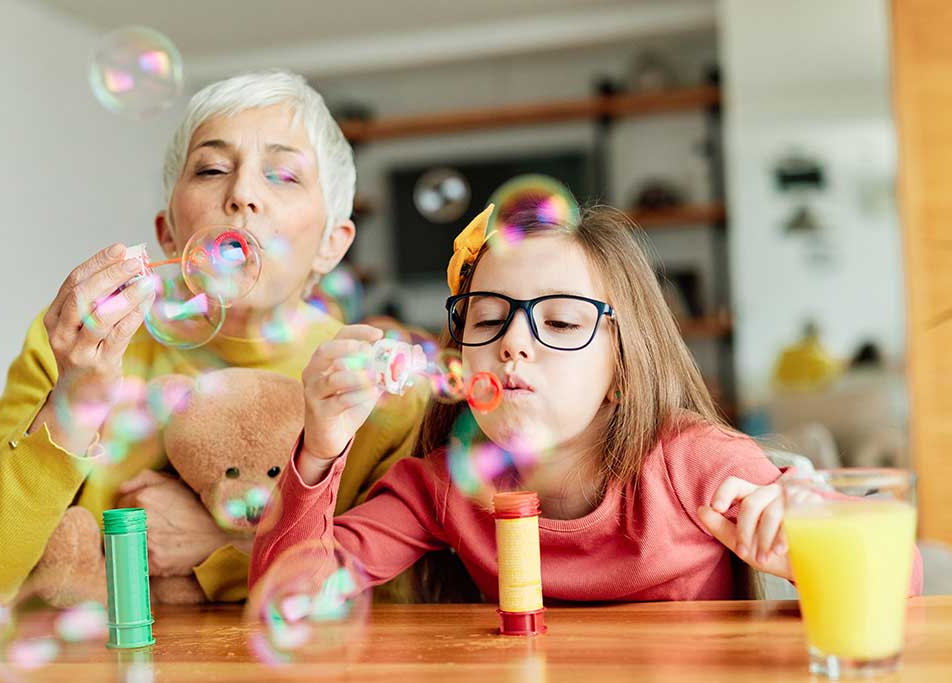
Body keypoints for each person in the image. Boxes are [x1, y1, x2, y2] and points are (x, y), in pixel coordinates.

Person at [0, 70, 427, 612]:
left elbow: (403, 601)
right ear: (169, 233)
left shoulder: (373, 382)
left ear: (333, 244)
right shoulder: (77, 349)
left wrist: (225, 547)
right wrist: (73, 398)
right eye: (212, 169)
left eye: (283, 175)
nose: (241, 195)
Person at [250, 204, 924, 601]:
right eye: (486, 317)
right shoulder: (443, 484)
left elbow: (906, 572)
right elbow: (293, 593)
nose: (512, 343)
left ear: (623, 366)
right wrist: (321, 441)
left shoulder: (696, 464)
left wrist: (803, 540)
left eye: (563, 322)